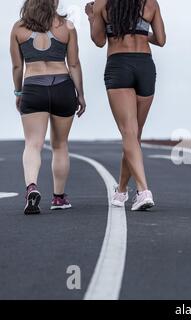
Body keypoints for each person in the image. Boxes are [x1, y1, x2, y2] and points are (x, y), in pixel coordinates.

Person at [85, 0, 166, 211]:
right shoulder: (150, 3)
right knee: (134, 135)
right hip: (145, 66)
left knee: (129, 134)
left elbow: (99, 40)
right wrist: (139, 33)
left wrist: (92, 17)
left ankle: (143, 191)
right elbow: (161, 39)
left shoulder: (103, 3)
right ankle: (121, 191)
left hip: (118, 65)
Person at [10, 0, 86, 215]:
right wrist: (80, 94)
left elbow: (17, 66)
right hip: (62, 87)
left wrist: (18, 92)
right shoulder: (67, 27)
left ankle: (31, 187)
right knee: (60, 145)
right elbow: (74, 64)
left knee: (33, 144)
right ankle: (59, 198)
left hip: (33, 88)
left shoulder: (19, 27)